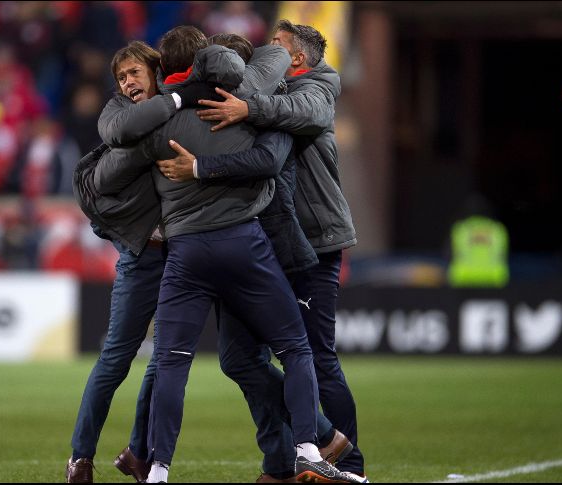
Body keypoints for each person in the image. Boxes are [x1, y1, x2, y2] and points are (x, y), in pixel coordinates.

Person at [89, 26, 358, 484]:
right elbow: (265, 161)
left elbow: (111, 167)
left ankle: (157, 465)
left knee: (179, 360)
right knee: (260, 355)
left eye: (274, 46)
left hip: (288, 247)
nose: (264, 53)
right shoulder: (240, 107)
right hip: (253, 247)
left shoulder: (303, 97)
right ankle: (300, 452)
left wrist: (195, 161)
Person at [194, 20, 367, 482]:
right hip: (265, 247)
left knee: (315, 354)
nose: (262, 54)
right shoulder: (268, 99)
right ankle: (286, 459)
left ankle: (346, 465)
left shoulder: (316, 88)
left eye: (274, 47)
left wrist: (246, 107)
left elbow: (303, 117)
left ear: (294, 59)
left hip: (315, 241)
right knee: (239, 359)